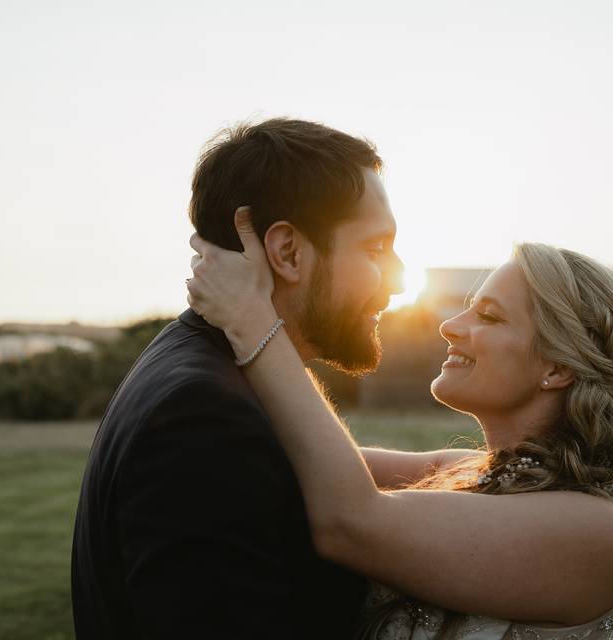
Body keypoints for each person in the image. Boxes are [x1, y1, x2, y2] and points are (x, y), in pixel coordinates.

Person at [185, 213, 613, 640]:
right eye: (468, 305)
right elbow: (299, 457)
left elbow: (348, 521)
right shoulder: (467, 472)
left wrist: (253, 320)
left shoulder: (600, 536)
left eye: (490, 316)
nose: (450, 325)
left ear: (558, 368)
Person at [70, 118, 408, 639]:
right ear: (288, 252)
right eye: (376, 249)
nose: (400, 277)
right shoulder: (203, 417)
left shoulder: (207, 365)